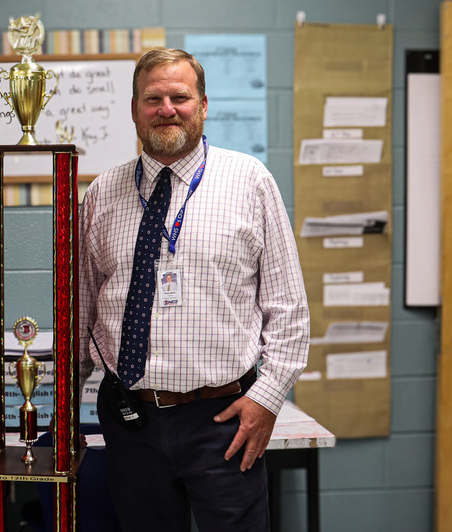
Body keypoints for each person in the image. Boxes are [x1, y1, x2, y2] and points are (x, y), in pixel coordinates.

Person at [78, 49, 309, 532]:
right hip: (130, 418)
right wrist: (62, 407)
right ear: (135, 109)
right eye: (153, 99)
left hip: (225, 419)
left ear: (203, 105)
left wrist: (267, 399)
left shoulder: (250, 181)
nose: (167, 109)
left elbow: (288, 308)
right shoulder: (101, 194)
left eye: (179, 97)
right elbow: (82, 312)